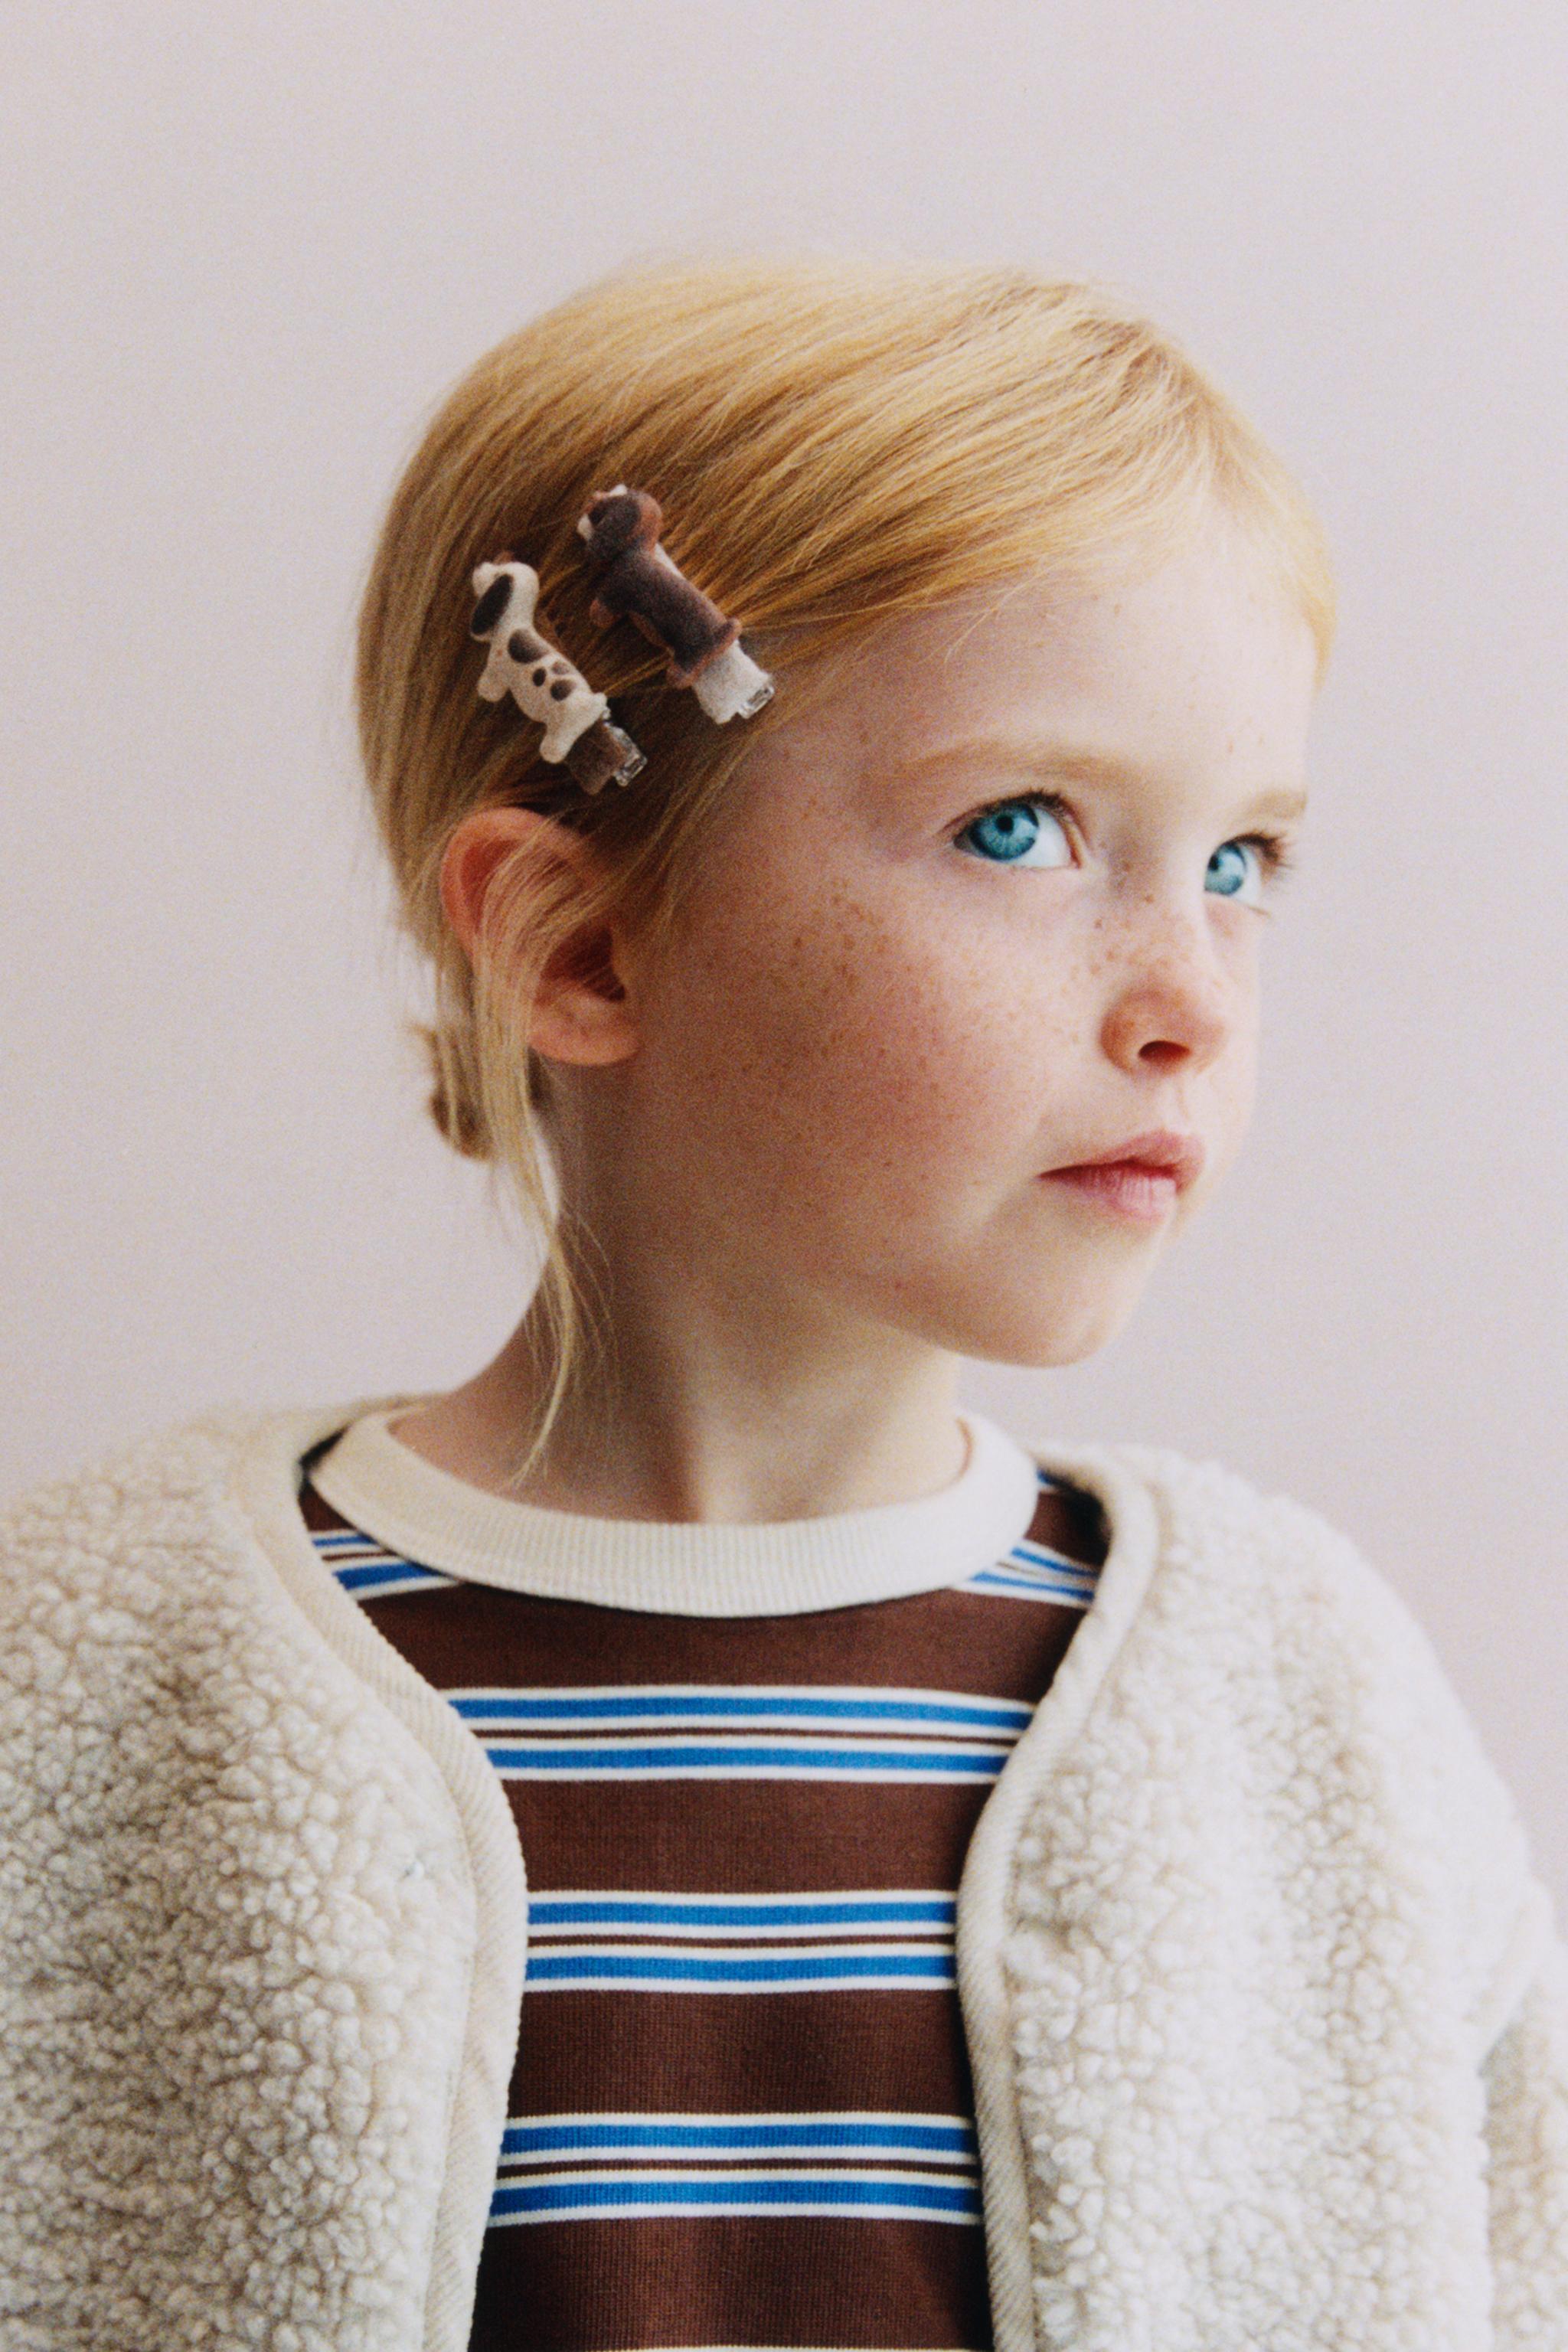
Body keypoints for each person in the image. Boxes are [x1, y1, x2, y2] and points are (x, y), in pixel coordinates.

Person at [2, 258, 1563, 2352]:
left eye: (1240, 863)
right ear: (580, 952)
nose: (1191, 998)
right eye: (1021, 829)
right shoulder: (95, 1695)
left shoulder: (1309, 1711)